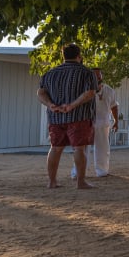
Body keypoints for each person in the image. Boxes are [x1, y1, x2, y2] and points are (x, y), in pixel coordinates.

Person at [37, 43, 98, 189]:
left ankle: (51, 182)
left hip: (55, 117)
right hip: (79, 117)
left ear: (63, 56)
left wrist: (50, 105)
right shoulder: (87, 73)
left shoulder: (50, 73)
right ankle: (80, 182)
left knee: (55, 148)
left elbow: (40, 93)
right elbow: (89, 93)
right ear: (79, 56)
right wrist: (72, 105)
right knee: (78, 148)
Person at [71, 67, 119, 179]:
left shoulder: (109, 90)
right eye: (94, 75)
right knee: (81, 149)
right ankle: (77, 172)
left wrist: (116, 121)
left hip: (103, 123)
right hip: (85, 123)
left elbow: (114, 106)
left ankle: (102, 171)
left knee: (103, 148)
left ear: (102, 76)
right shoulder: (82, 90)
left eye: (99, 75)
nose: (97, 77)